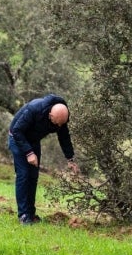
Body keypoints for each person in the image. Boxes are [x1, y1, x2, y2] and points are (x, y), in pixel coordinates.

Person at [8, 94, 80, 225]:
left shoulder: (61, 118)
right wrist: (29, 152)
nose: (58, 126)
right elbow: (17, 131)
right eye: (56, 123)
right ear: (50, 115)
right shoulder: (34, 109)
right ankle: (23, 215)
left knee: (33, 177)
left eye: (61, 124)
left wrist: (70, 159)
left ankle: (30, 213)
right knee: (23, 175)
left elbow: (64, 138)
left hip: (33, 141)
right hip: (17, 139)